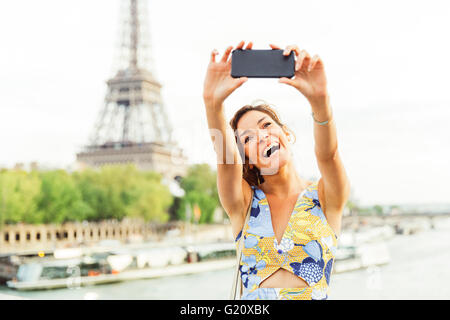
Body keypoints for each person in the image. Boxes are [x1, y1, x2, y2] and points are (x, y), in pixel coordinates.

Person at [202, 41, 350, 300]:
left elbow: (328, 154)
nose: (261, 137)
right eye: (247, 139)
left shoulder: (327, 197)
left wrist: (320, 101)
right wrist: (212, 105)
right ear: (246, 159)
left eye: (266, 125)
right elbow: (226, 161)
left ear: (286, 134)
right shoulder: (244, 205)